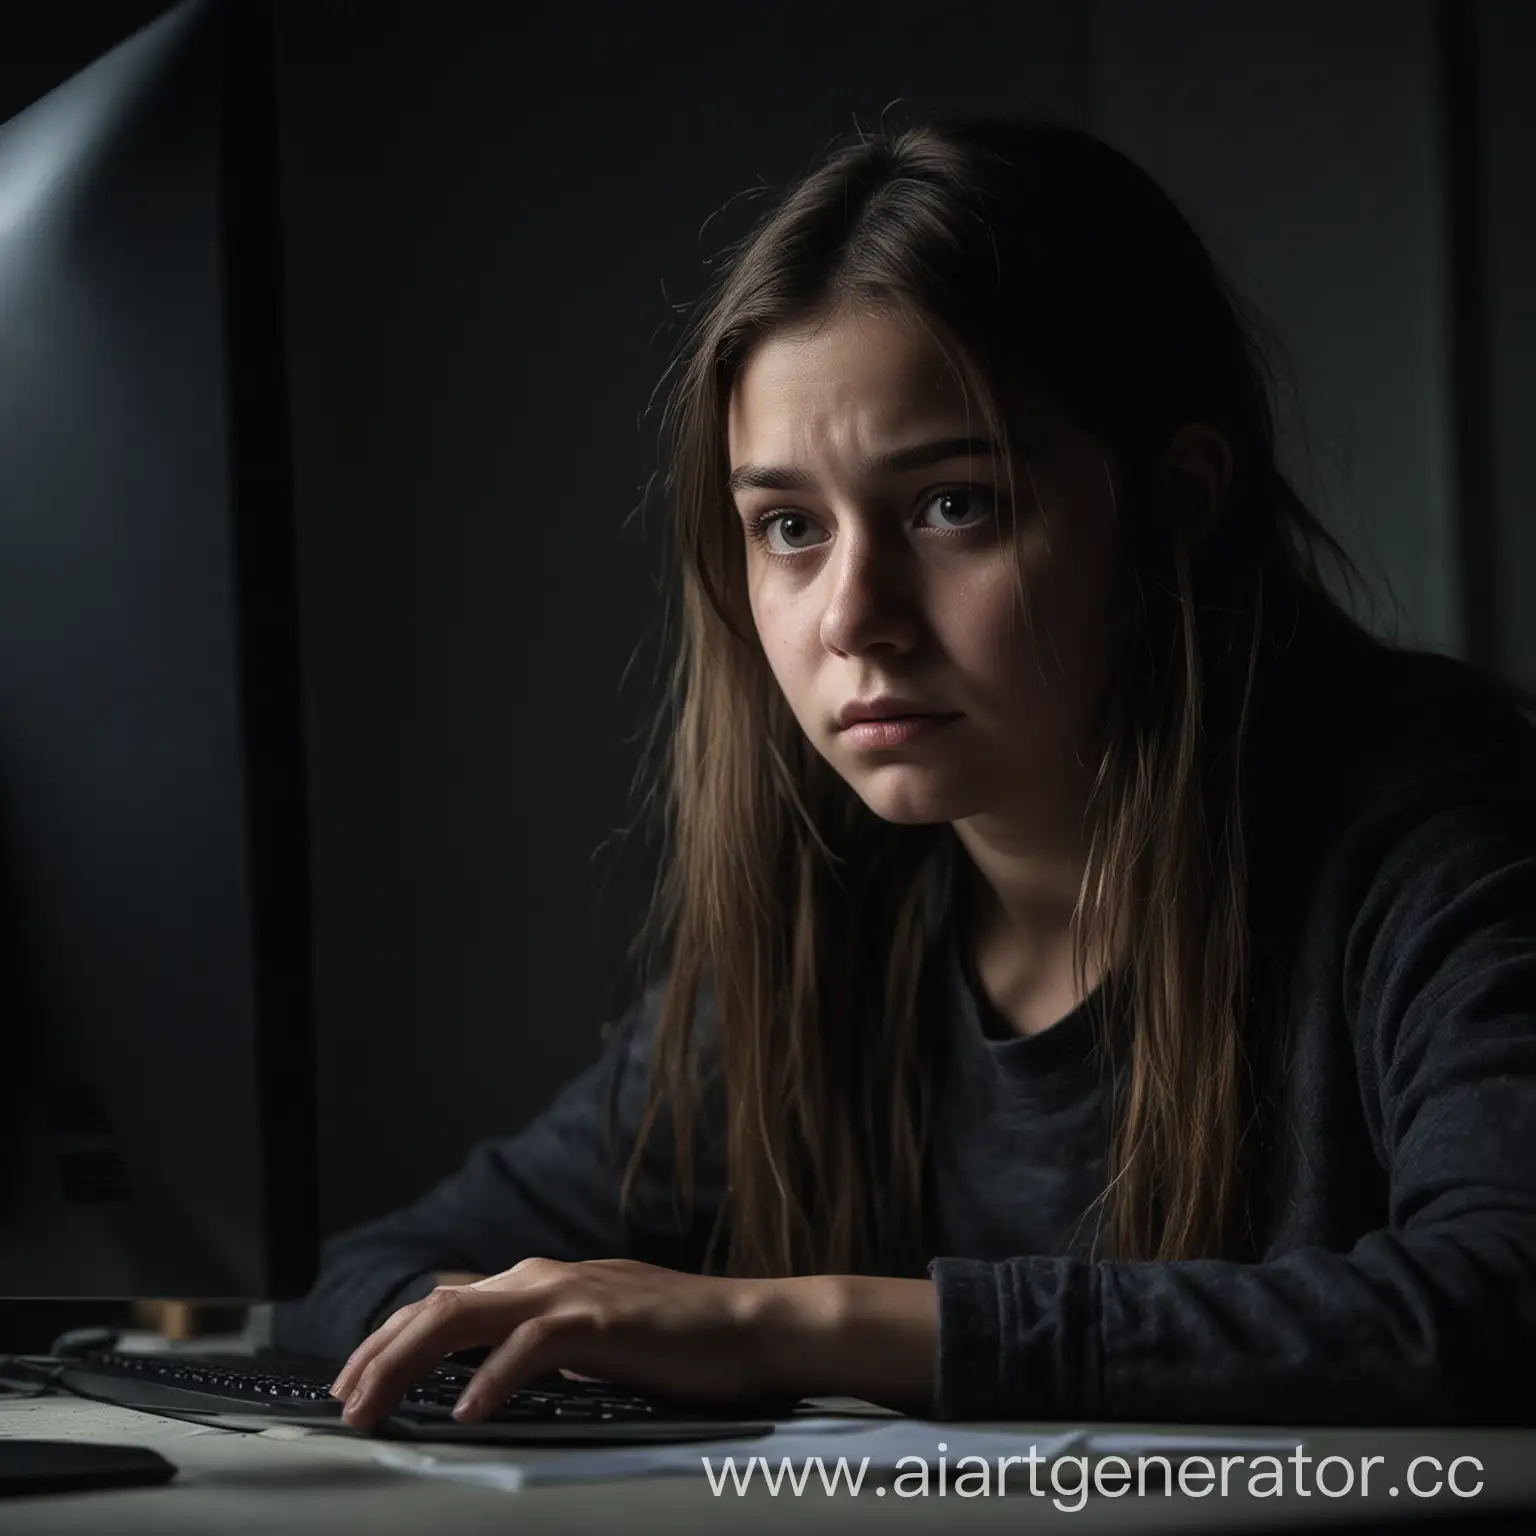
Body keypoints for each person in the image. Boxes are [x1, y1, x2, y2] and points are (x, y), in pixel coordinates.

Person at [275, 112, 1536, 1431]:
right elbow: (362, 1275)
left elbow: (1502, 1299)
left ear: (1176, 501)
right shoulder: (835, 919)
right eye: (789, 528)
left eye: (953, 505)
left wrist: (789, 1324)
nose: (851, 615)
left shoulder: (1432, 833)